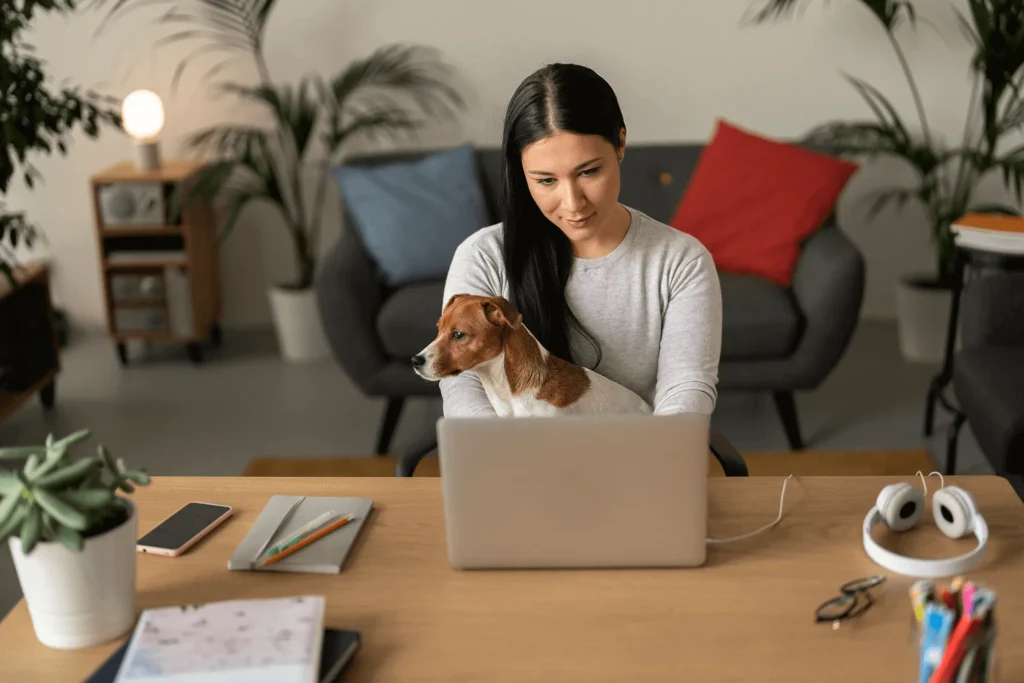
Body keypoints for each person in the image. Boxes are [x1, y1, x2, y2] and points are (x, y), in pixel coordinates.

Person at [440, 62, 722, 418]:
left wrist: (662, 452)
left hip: (633, 455)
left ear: (620, 143)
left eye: (588, 172)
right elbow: (460, 381)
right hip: (515, 461)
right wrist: (499, 457)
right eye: (545, 180)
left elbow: (686, 388)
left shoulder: (680, 261)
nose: (573, 204)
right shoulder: (485, 255)